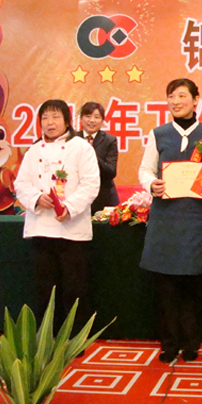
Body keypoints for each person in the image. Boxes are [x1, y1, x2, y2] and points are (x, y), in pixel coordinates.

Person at [138, 78, 202, 363]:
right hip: (165, 219)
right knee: (165, 286)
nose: (175, 102)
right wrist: (152, 184)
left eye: (181, 96)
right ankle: (168, 344)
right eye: (171, 96)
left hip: (196, 219)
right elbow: (145, 170)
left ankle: (191, 343)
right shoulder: (158, 134)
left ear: (195, 100)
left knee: (193, 286)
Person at [14, 99, 100, 329]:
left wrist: (69, 208)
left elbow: (91, 185)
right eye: (45, 118)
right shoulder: (33, 150)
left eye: (55, 117)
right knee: (45, 290)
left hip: (72, 230)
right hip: (41, 229)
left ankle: (76, 338)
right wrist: (36, 198)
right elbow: (21, 184)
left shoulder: (82, 148)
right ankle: (47, 337)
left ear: (67, 121)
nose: (50, 123)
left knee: (75, 289)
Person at [77, 101, 120, 214]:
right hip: (77, 197)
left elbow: (110, 172)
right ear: (81, 119)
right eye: (88, 116)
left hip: (104, 199)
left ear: (102, 120)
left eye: (96, 117)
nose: (92, 120)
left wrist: (91, 152)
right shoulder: (72, 139)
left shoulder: (109, 140)